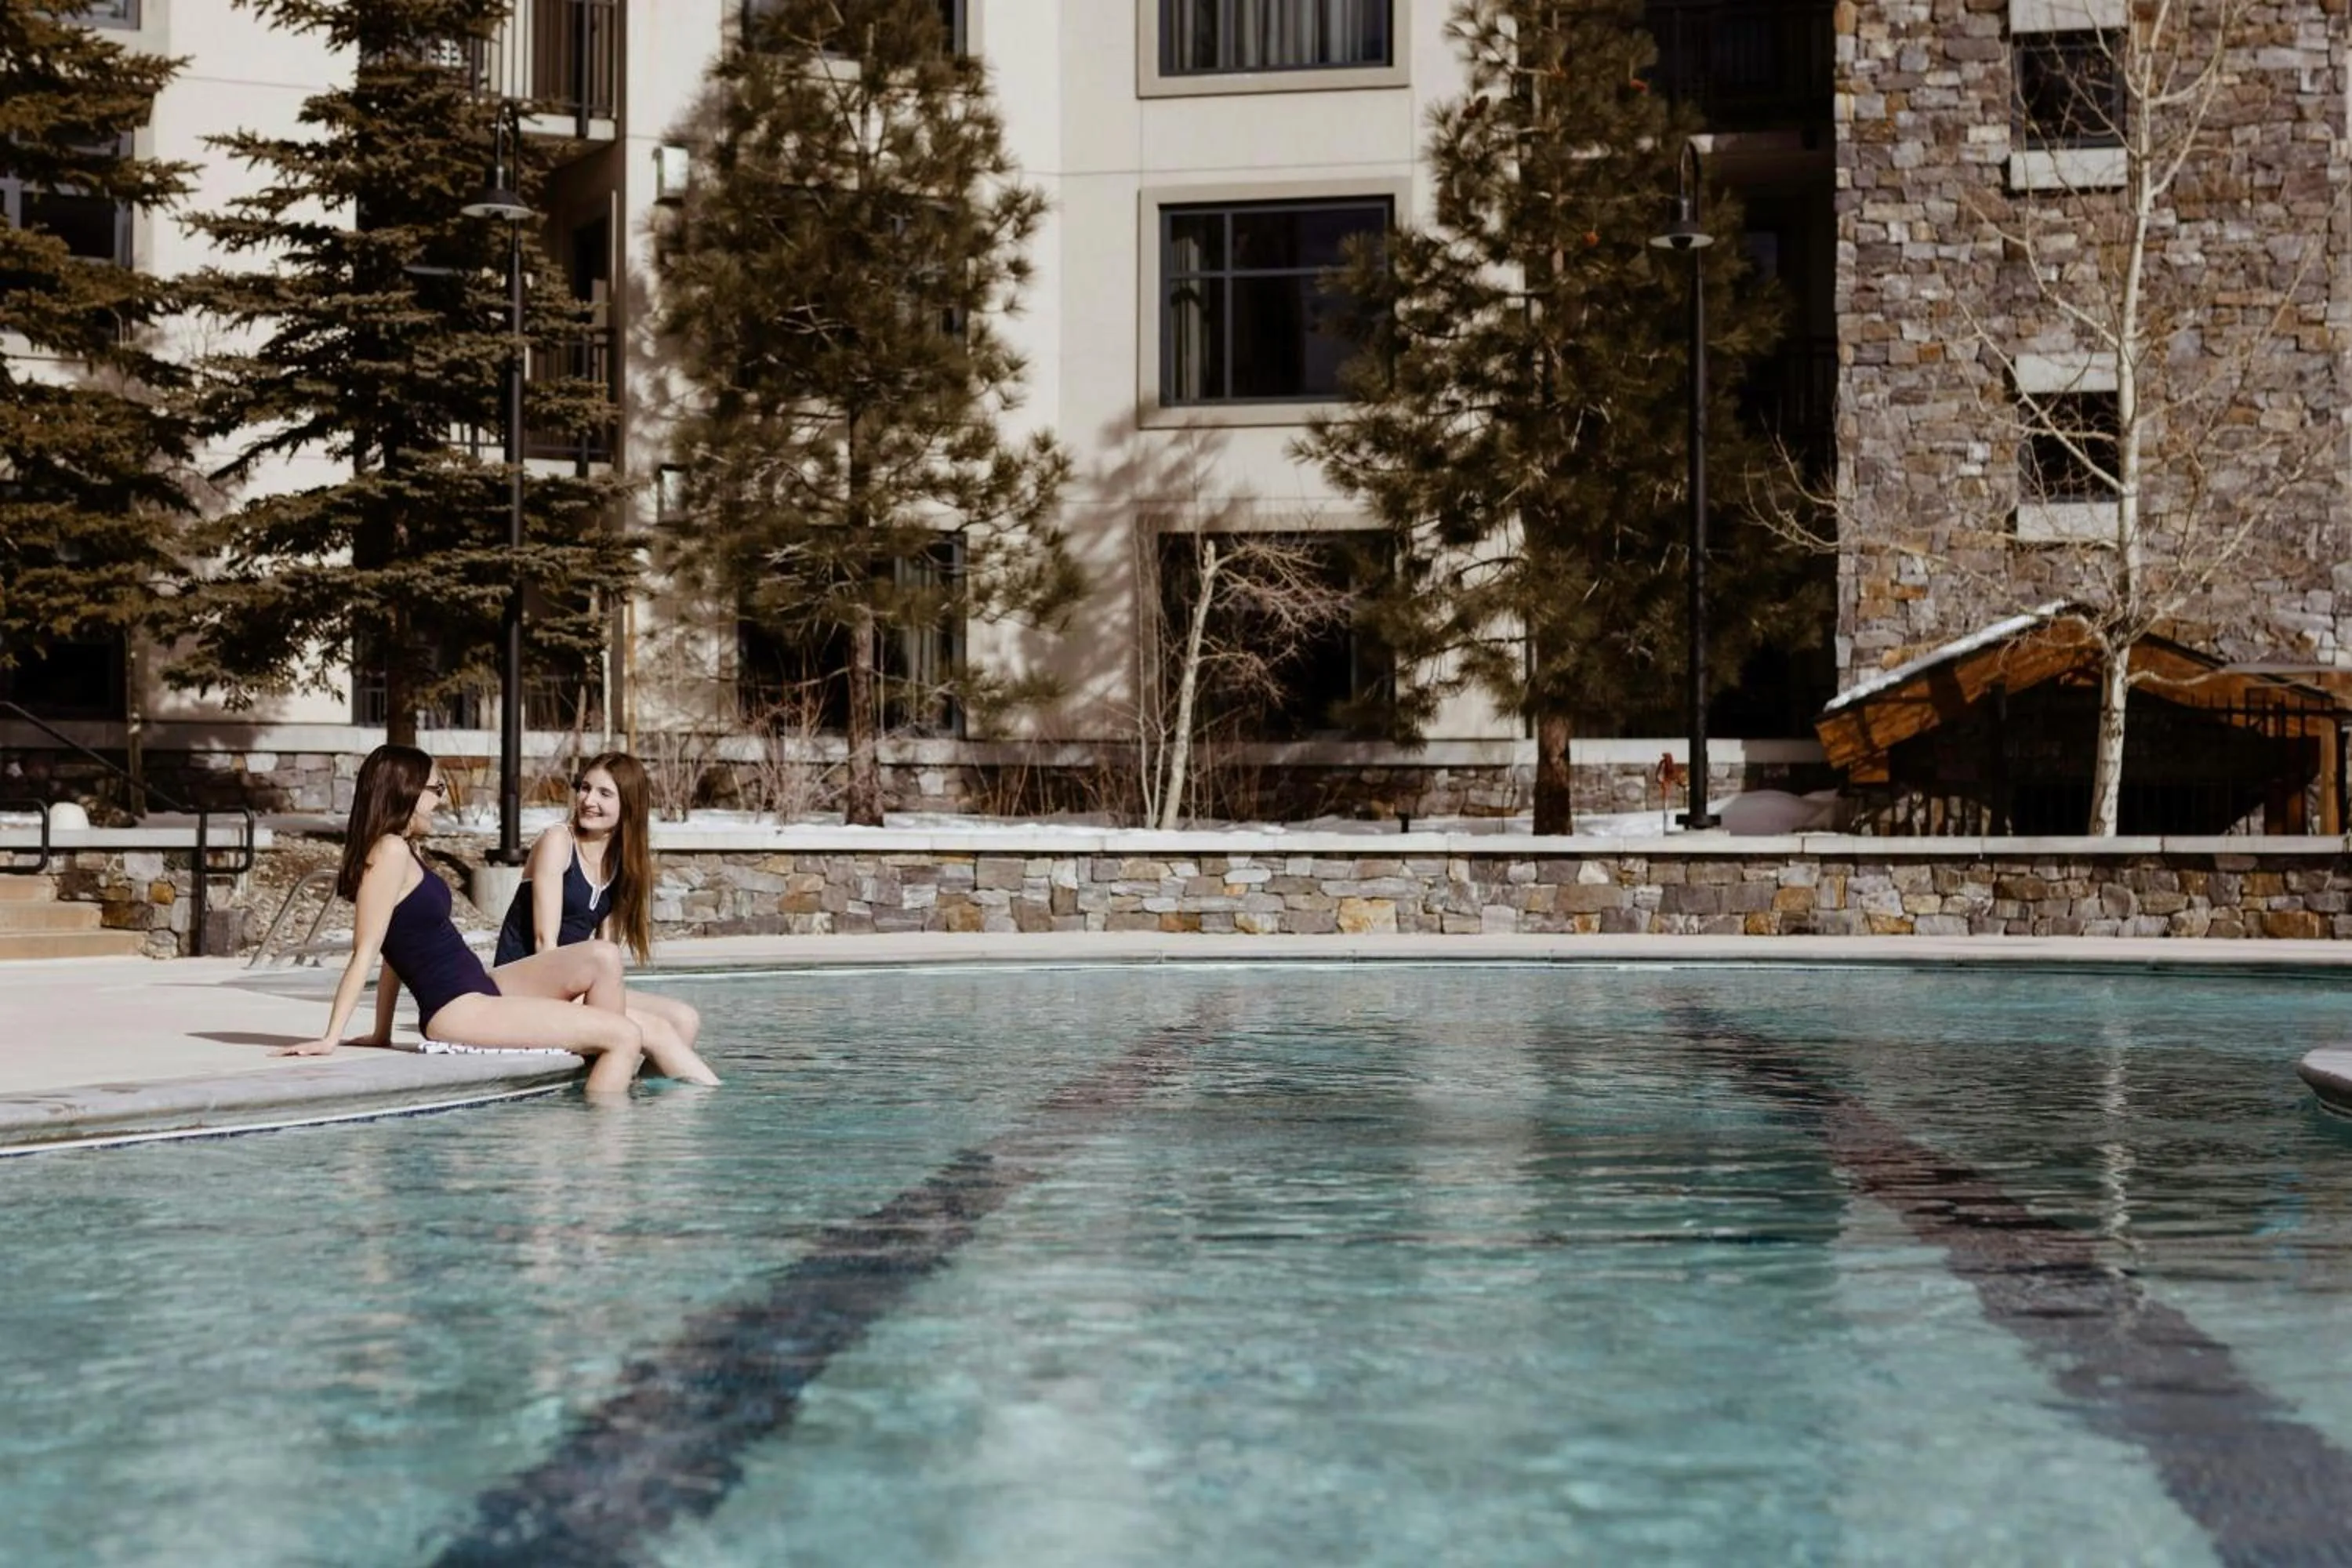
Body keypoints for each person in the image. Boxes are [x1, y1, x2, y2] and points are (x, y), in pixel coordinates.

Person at [278, 744, 720, 1094]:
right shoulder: (390, 852)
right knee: (623, 1035)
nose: (440, 800)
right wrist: (331, 1037)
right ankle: (601, 1148)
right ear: (406, 792)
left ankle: (607, 1074)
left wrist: (381, 1032)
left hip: (479, 992)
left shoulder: (405, 851)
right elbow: (367, 950)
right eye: (436, 790)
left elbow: (395, 948)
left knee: (607, 966)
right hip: (458, 1009)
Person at [492, 751, 704, 1059]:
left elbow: (608, 960)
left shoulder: (622, 864)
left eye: (605, 793)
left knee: (684, 1020)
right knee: (654, 1031)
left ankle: (645, 1098)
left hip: (572, 988)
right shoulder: (558, 841)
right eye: (586, 788)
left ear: (629, 804)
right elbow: (544, 944)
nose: (589, 800)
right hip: (523, 985)